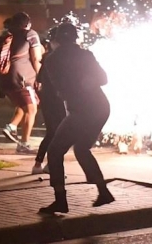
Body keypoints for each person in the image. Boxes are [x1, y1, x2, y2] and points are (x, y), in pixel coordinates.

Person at [38, 23, 114, 214]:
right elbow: (104, 79)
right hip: (100, 107)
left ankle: (61, 200)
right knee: (81, 149)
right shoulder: (86, 55)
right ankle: (103, 191)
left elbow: (59, 90)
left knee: (55, 152)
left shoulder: (52, 60)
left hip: (82, 110)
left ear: (56, 40)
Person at [0, 12, 43, 154]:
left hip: (5, 78)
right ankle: (24, 144)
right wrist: (40, 77)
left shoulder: (7, 35)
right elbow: (36, 59)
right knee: (32, 109)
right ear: (27, 23)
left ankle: (11, 127)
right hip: (22, 78)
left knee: (23, 105)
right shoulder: (30, 34)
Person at [31, 27, 67, 175]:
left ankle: (43, 164)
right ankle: (45, 165)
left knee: (54, 132)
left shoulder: (48, 57)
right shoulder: (55, 58)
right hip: (55, 100)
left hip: (50, 99)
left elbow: (39, 79)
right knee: (56, 132)